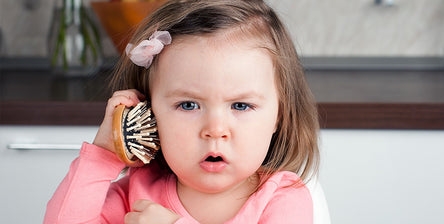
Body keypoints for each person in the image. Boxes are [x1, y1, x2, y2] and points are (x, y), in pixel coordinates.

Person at [44, 0, 320, 223]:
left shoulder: (282, 199)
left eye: (240, 105)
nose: (215, 129)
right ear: (149, 114)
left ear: (279, 115)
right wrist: (103, 155)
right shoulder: (136, 193)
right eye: (188, 105)